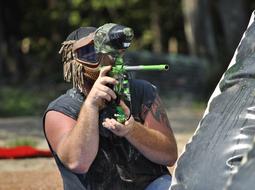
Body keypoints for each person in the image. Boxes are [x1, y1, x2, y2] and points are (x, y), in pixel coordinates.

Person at [43, 23, 178, 190]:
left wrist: (132, 130)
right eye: (91, 53)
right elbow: (77, 162)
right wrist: (91, 105)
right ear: (73, 62)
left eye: (106, 51)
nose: (103, 59)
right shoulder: (61, 109)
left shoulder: (142, 92)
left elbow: (169, 155)